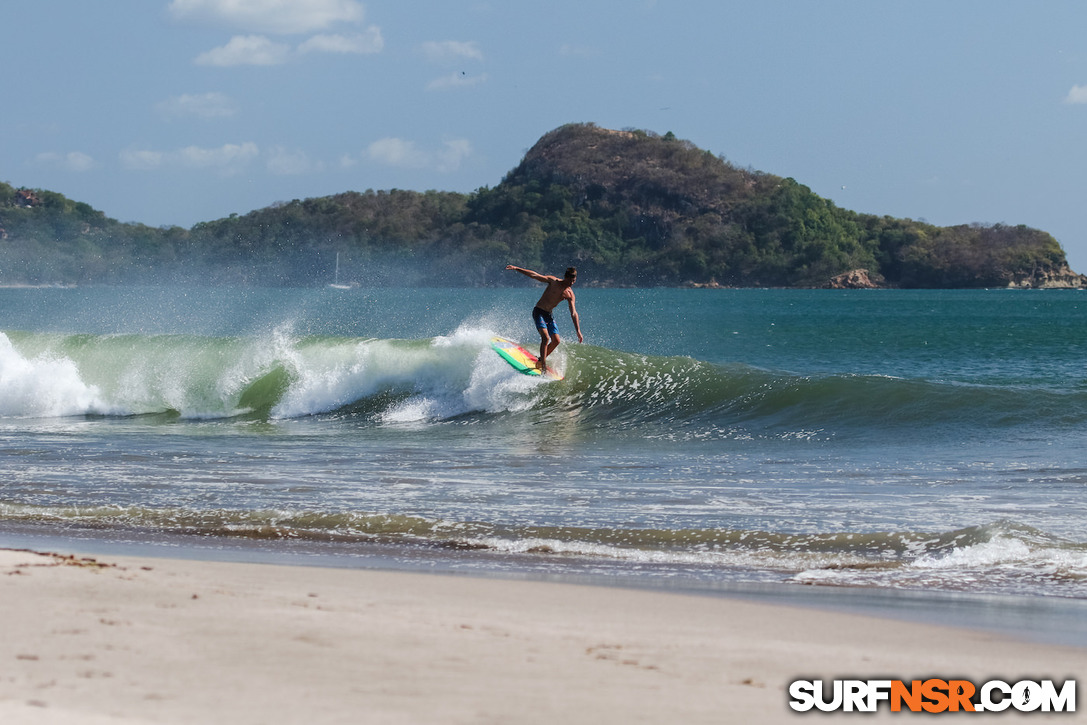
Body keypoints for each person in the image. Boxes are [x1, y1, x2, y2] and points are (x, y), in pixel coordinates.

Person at [505, 264, 584, 370]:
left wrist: (578, 330)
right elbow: (534, 275)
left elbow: (573, 313)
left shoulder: (569, 294)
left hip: (548, 315)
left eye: (574, 281)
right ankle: (543, 366)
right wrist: (517, 268)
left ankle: (541, 360)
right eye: (570, 281)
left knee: (556, 341)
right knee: (546, 338)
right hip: (539, 312)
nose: (571, 284)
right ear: (565, 277)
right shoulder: (553, 282)